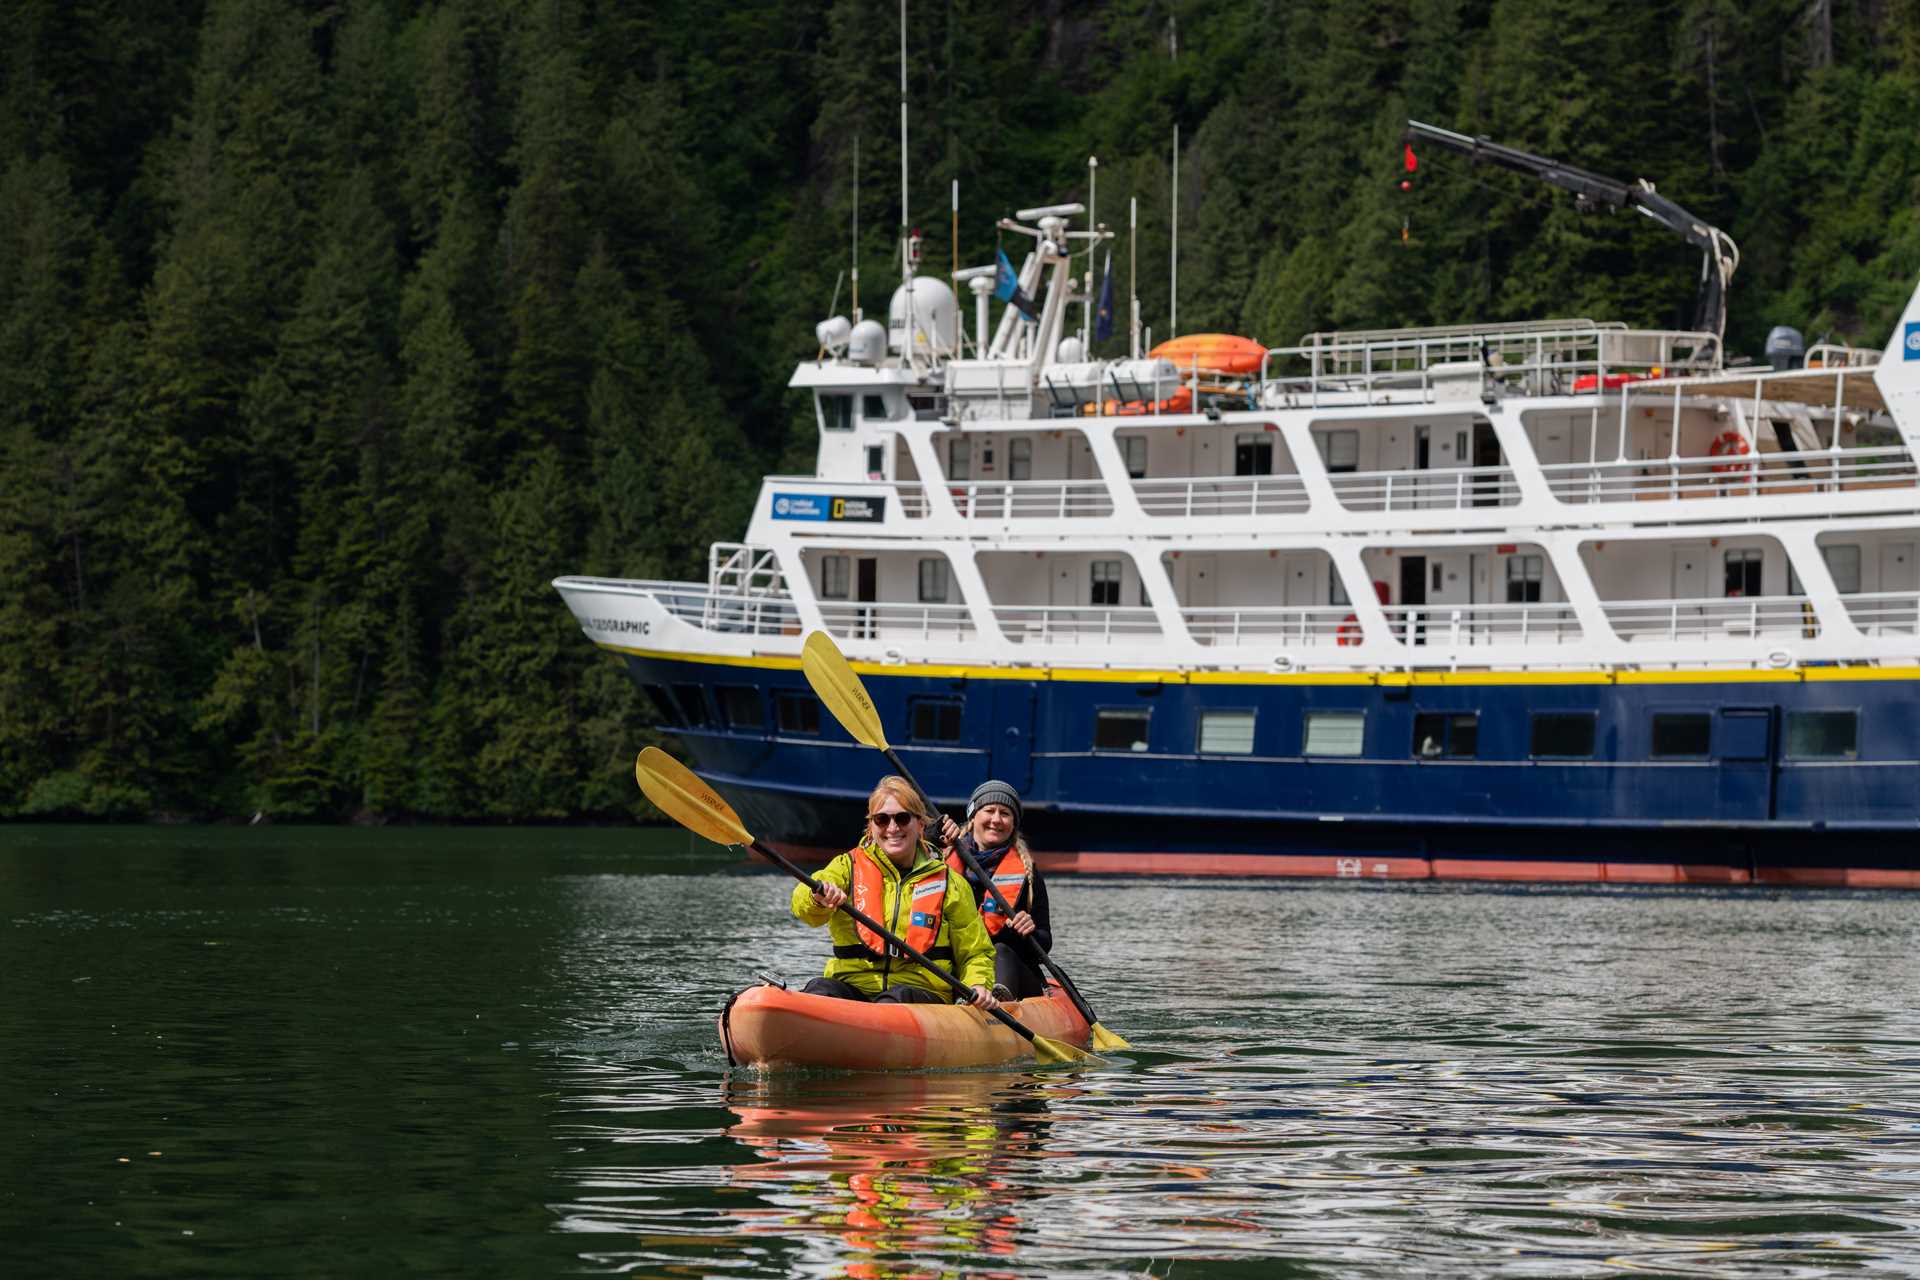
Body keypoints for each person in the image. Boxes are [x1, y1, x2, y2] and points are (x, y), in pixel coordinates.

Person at [792, 775, 1001, 1009]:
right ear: (871, 826)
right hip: (855, 986)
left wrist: (978, 983)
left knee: (897, 997)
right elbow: (804, 907)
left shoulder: (951, 883)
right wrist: (817, 898)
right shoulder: (845, 867)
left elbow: (976, 952)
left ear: (920, 824)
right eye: (881, 819)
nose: (892, 828)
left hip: (921, 993)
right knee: (821, 988)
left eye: (902, 819)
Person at [938, 780, 1052, 1000]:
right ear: (973, 817)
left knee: (1000, 950)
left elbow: (1044, 943)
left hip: (1011, 974)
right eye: (989, 810)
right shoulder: (940, 863)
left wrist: (1029, 932)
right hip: (959, 971)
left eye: (1005, 813)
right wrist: (934, 831)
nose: (996, 820)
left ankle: (999, 1006)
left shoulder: (1029, 874)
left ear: (1013, 824)